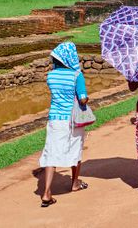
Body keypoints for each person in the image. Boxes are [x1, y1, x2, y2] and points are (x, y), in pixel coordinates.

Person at [39, 42, 89, 207]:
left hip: (55, 118)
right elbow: (82, 99)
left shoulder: (51, 75)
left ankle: (46, 192)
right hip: (73, 119)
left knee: (51, 152)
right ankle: (74, 183)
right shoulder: (76, 75)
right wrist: (84, 98)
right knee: (76, 148)